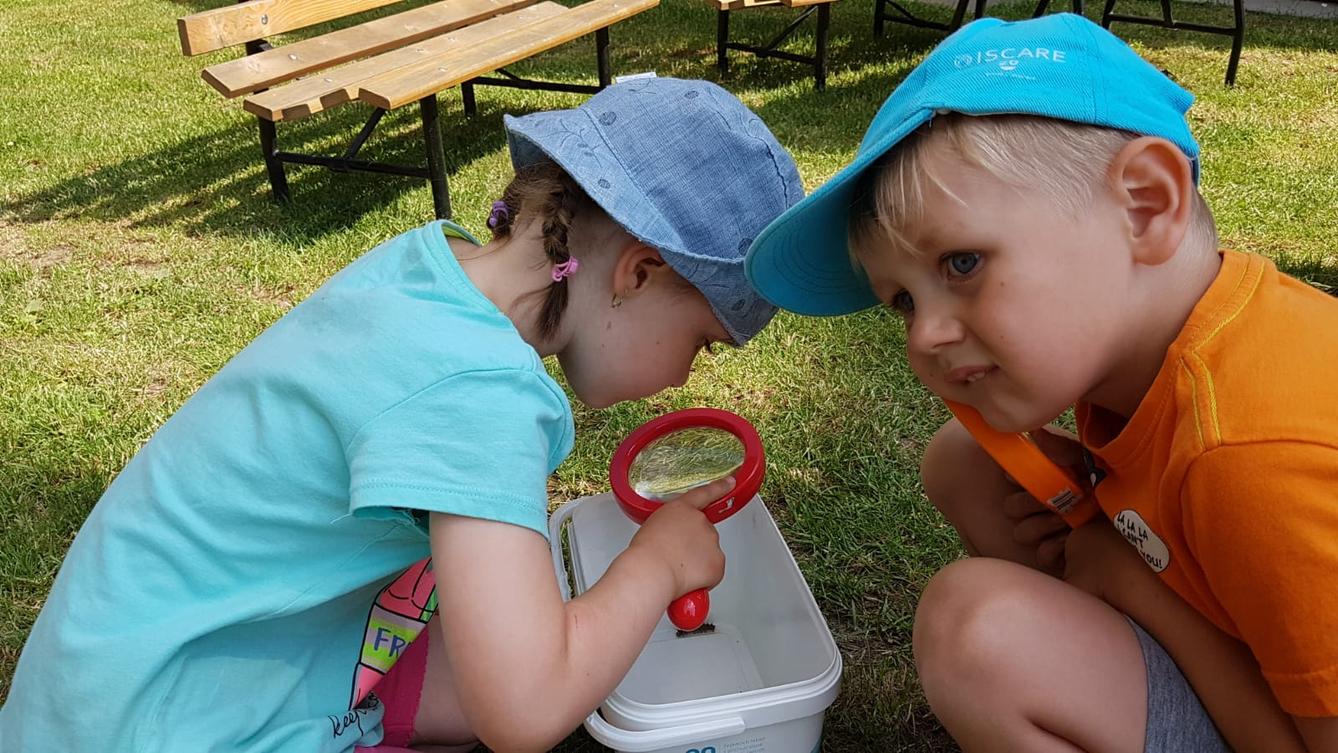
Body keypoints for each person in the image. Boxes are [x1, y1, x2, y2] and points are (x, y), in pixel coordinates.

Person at [0, 76, 803, 753]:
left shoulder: (433, 269)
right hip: (163, 722)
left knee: (510, 626)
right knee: (541, 659)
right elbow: (522, 708)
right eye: (700, 344)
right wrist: (654, 563)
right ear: (638, 272)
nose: (679, 378)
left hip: (115, 676)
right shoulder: (476, 388)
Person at [745, 14, 1338, 753]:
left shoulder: (1253, 452)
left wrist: (1127, 578)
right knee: (965, 460)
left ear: (1146, 206)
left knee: (979, 630)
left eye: (962, 263)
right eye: (902, 301)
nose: (923, 334)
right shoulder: (1155, 343)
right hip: (1238, 634)